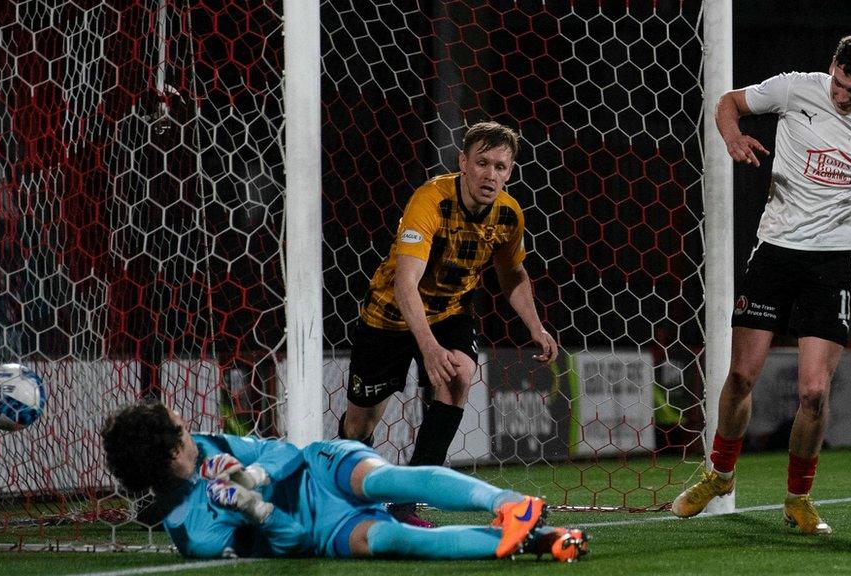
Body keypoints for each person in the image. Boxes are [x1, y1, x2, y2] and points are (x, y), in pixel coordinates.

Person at [672, 34, 851, 534]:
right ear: (831, 67)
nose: (842, 96)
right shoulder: (794, 89)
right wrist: (732, 137)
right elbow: (728, 103)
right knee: (741, 376)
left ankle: (798, 499)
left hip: (830, 264)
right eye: (839, 83)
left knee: (814, 392)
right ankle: (719, 473)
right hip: (775, 252)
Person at [337, 121, 558, 526]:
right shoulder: (430, 201)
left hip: (450, 313)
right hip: (389, 315)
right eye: (482, 163)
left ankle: (408, 501)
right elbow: (406, 284)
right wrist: (429, 347)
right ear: (463, 163)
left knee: (458, 376)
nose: (491, 175)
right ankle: (342, 493)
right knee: (359, 422)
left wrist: (535, 327)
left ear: (510, 172)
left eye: (501, 167)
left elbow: (512, 274)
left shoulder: (509, 215)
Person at [101, 402, 588, 561]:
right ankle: (542, 541)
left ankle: (510, 502)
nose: (190, 426)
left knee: (386, 480)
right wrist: (255, 510)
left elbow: (283, 453)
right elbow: (286, 543)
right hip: (319, 531)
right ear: (169, 453)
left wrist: (253, 476)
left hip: (319, 469)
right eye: (181, 431)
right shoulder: (193, 534)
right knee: (391, 538)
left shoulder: (208, 446)